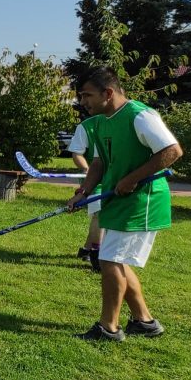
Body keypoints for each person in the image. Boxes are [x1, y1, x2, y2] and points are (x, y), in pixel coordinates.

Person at [67, 67, 182, 341]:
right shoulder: (101, 122)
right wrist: (83, 191)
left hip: (142, 202)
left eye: (87, 95)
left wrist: (132, 178)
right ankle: (144, 321)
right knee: (116, 259)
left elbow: (172, 151)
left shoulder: (140, 116)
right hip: (118, 201)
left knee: (109, 260)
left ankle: (109, 328)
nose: (83, 101)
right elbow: (98, 163)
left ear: (108, 93)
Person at [67, 116, 103, 272]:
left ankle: (87, 250)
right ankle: (97, 254)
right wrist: (87, 169)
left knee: (101, 215)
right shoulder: (86, 126)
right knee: (100, 214)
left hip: (114, 178)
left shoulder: (121, 122)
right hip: (94, 181)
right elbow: (77, 154)